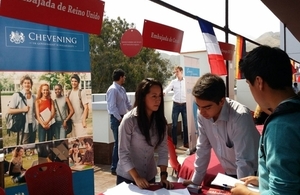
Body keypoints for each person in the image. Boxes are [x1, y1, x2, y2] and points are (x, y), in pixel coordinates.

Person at [230, 46, 300, 195]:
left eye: (249, 85)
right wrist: (265, 178)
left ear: (259, 82)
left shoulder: (280, 127)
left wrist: (246, 193)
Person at [184, 73, 260, 186]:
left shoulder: (239, 117)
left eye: (207, 107)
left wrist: (243, 189)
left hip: (254, 175)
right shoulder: (202, 114)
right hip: (229, 174)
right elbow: (202, 148)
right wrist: (195, 182)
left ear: (221, 101)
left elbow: (244, 161)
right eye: (198, 106)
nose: (201, 112)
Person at [116, 78, 173, 190]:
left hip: (150, 177)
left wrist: (163, 176)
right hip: (128, 178)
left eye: (160, 96)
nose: (158, 100)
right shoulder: (129, 120)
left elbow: (163, 149)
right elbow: (123, 153)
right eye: (154, 96)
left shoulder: (160, 121)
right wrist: (136, 177)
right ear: (143, 97)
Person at [106, 69, 132, 175]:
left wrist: (134, 112)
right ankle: (114, 167)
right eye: (124, 76)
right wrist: (120, 119)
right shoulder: (112, 90)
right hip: (117, 119)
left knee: (124, 143)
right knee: (118, 143)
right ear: (120, 77)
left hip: (123, 117)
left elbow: (127, 103)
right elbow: (112, 107)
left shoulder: (122, 89)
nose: (125, 78)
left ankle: (123, 166)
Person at [7, 75, 37, 144]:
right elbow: (9, 110)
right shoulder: (17, 95)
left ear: (31, 84)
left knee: (32, 146)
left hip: (33, 126)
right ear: (22, 84)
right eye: (25, 83)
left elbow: (35, 112)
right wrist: (23, 110)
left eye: (28, 83)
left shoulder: (33, 96)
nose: (27, 84)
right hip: (23, 126)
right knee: (24, 147)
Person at [163, 66, 188, 148]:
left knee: (185, 125)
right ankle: (174, 143)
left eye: (177, 71)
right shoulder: (173, 82)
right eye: (175, 72)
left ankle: (186, 142)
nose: (176, 73)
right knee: (174, 125)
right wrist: (162, 93)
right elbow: (167, 89)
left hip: (185, 105)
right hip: (176, 105)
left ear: (181, 71)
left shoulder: (186, 81)